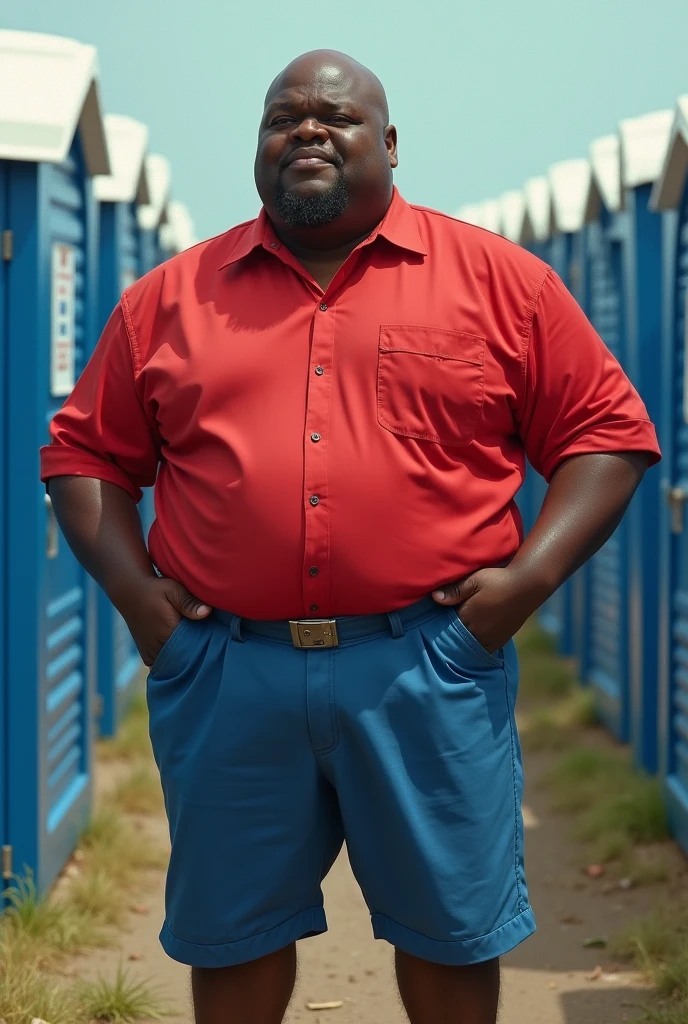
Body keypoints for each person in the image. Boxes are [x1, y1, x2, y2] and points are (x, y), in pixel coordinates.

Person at [41, 49, 659, 1024]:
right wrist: (137, 597)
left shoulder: (500, 283)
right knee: (232, 932)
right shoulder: (171, 298)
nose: (308, 131)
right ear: (258, 144)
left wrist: (525, 585)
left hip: (429, 665)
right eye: (283, 117)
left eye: (336, 116)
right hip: (228, 669)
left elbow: (607, 437)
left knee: (449, 932)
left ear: (390, 143)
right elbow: (83, 456)